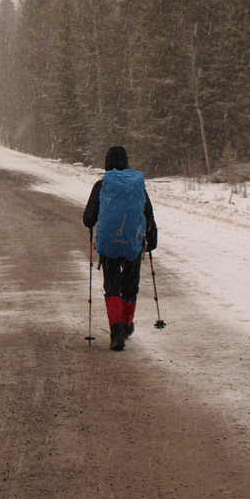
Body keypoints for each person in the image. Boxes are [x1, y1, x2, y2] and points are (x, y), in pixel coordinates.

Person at [83, 145, 158, 351]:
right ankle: (126, 323)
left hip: (109, 243)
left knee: (113, 286)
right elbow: (147, 213)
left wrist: (94, 222)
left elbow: (89, 218)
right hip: (133, 242)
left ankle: (116, 331)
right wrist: (151, 237)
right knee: (130, 286)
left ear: (107, 162)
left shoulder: (102, 185)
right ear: (126, 162)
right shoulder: (137, 187)